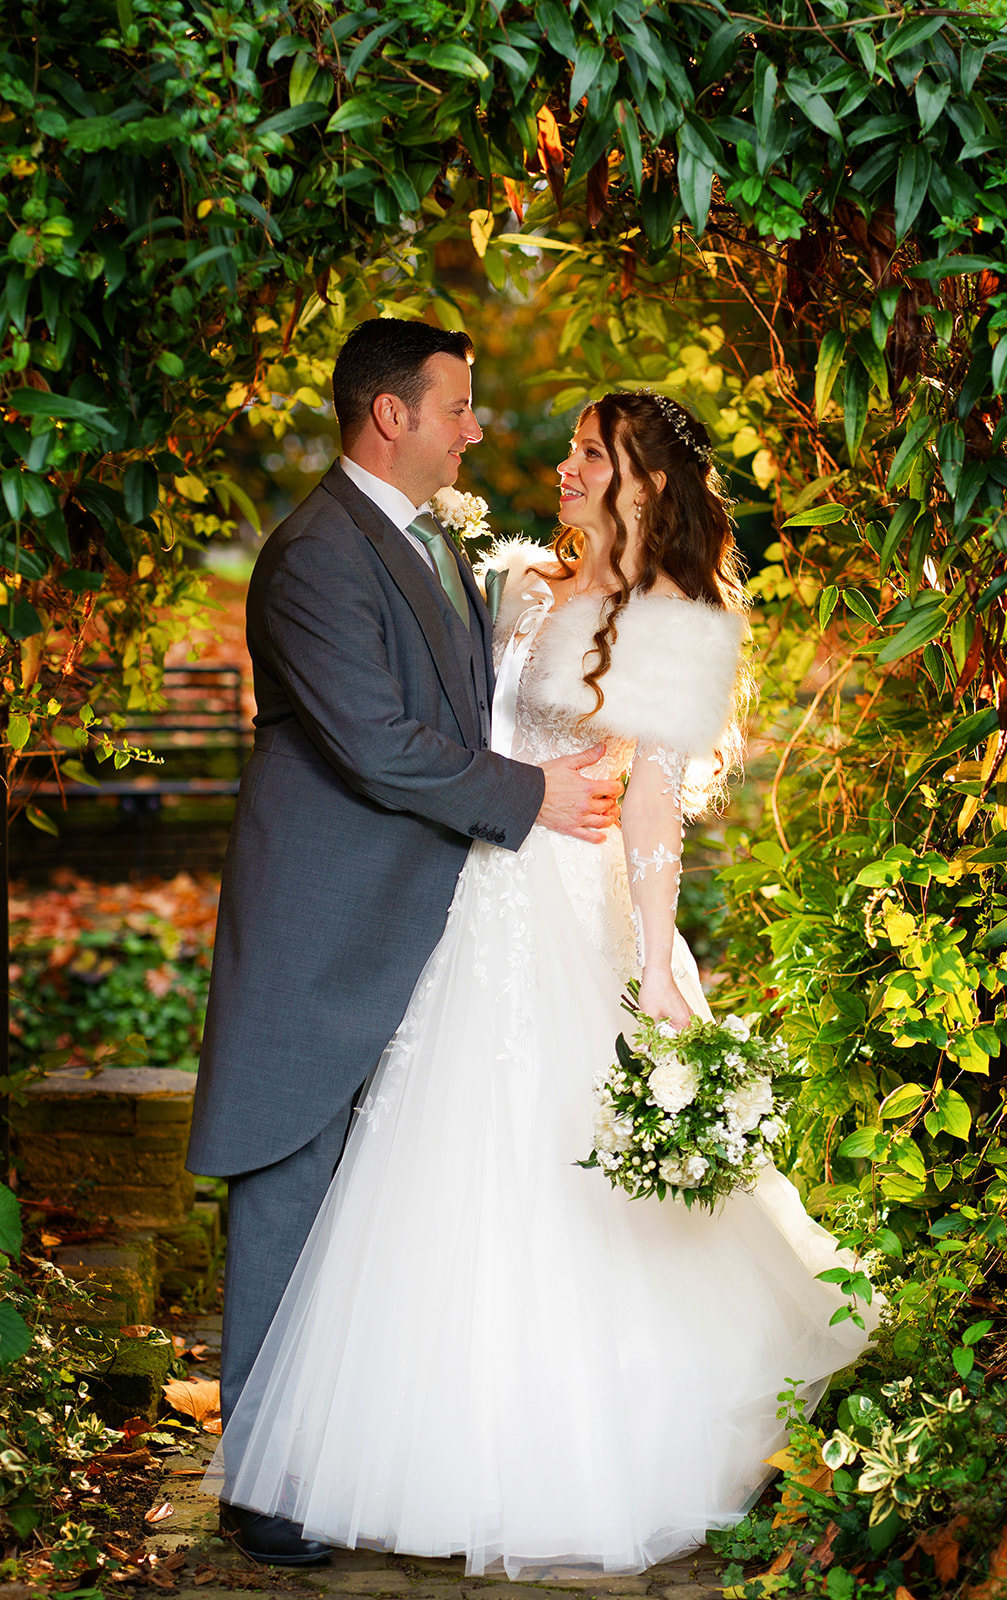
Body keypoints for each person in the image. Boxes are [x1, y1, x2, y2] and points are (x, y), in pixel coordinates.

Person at [205, 390, 877, 1578]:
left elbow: (656, 801)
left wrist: (657, 962)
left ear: (645, 486)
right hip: (461, 904)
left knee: (562, 1161)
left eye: (587, 454)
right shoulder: (518, 585)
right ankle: (399, 1440)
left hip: (571, 910)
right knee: (427, 1159)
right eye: (567, 446)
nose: (560, 466)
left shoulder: (676, 619)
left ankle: (569, 1448)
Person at [187, 320, 623, 1566]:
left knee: (373, 1193)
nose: (476, 428)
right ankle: (265, 1485)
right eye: (459, 408)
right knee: (289, 1170)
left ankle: (346, 1447)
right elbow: (377, 740)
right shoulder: (318, 553)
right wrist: (529, 798)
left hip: (424, 914)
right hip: (322, 918)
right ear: (393, 416)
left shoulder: (426, 543)